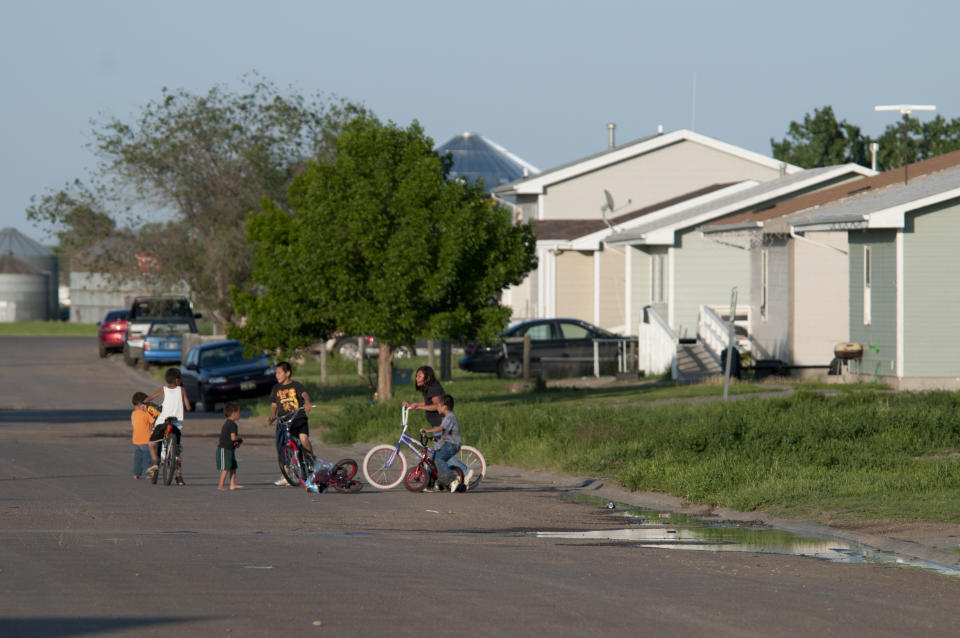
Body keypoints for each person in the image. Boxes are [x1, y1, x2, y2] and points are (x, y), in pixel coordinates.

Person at [402, 366, 472, 488]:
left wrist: (418, 407)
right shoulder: (430, 388)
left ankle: (465, 472)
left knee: (440, 456)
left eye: (419, 376)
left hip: (441, 425)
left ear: (427, 378)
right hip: (438, 424)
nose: (417, 378)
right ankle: (433, 482)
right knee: (435, 456)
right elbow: (429, 402)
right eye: (416, 376)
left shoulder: (434, 388)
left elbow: (435, 406)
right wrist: (415, 404)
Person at [269, 361, 315, 486]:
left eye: (279, 373)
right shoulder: (276, 388)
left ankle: (311, 461)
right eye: (276, 373)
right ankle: (286, 474)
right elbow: (274, 405)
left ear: (287, 373)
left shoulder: (296, 385)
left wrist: (307, 402)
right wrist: (273, 415)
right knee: (283, 447)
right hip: (284, 421)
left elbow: (305, 394)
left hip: (298, 418)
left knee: (303, 439)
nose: (277, 375)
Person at [146, 367, 191, 486]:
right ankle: (179, 477)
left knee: (152, 443)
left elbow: (150, 398)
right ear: (177, 380)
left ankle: (155, 459)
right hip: (177, 424)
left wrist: (146, 402)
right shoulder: (182, 390)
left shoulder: (163, 390)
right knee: (177, 452)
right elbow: (188, 407)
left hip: (162, 422)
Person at [419, 394, 462, 493]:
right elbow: (445, 433)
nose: (437, 407)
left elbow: (441, 428)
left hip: (452, 445)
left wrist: (428, 430)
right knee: (433, 460)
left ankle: (452, 478)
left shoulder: (450, 417)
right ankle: (429, 484)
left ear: (445, 407)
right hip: (448, 443)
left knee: (439, 458)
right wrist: (435, 437)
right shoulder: (446, 417)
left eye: (438, 405)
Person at [216, 402, 244, 491]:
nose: (239, 414)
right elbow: (233, 438)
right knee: (226, 467)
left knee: (233, 466)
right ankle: (220, 485)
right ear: (233, 413)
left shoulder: (228, 423)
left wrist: (237, 442)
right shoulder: (232, 424)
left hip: (230, 449)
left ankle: (233, 484)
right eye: (239, 412)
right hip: (225, 449)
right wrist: (240, 439)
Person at [129, 392, 155, 479]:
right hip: (146, 439)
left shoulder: (134, 413)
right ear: (142, 404)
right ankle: (148, 473)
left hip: (136, 440)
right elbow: (153, 420)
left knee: (138, 458)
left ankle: (136, 473)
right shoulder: (146, 413)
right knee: (148, 458)